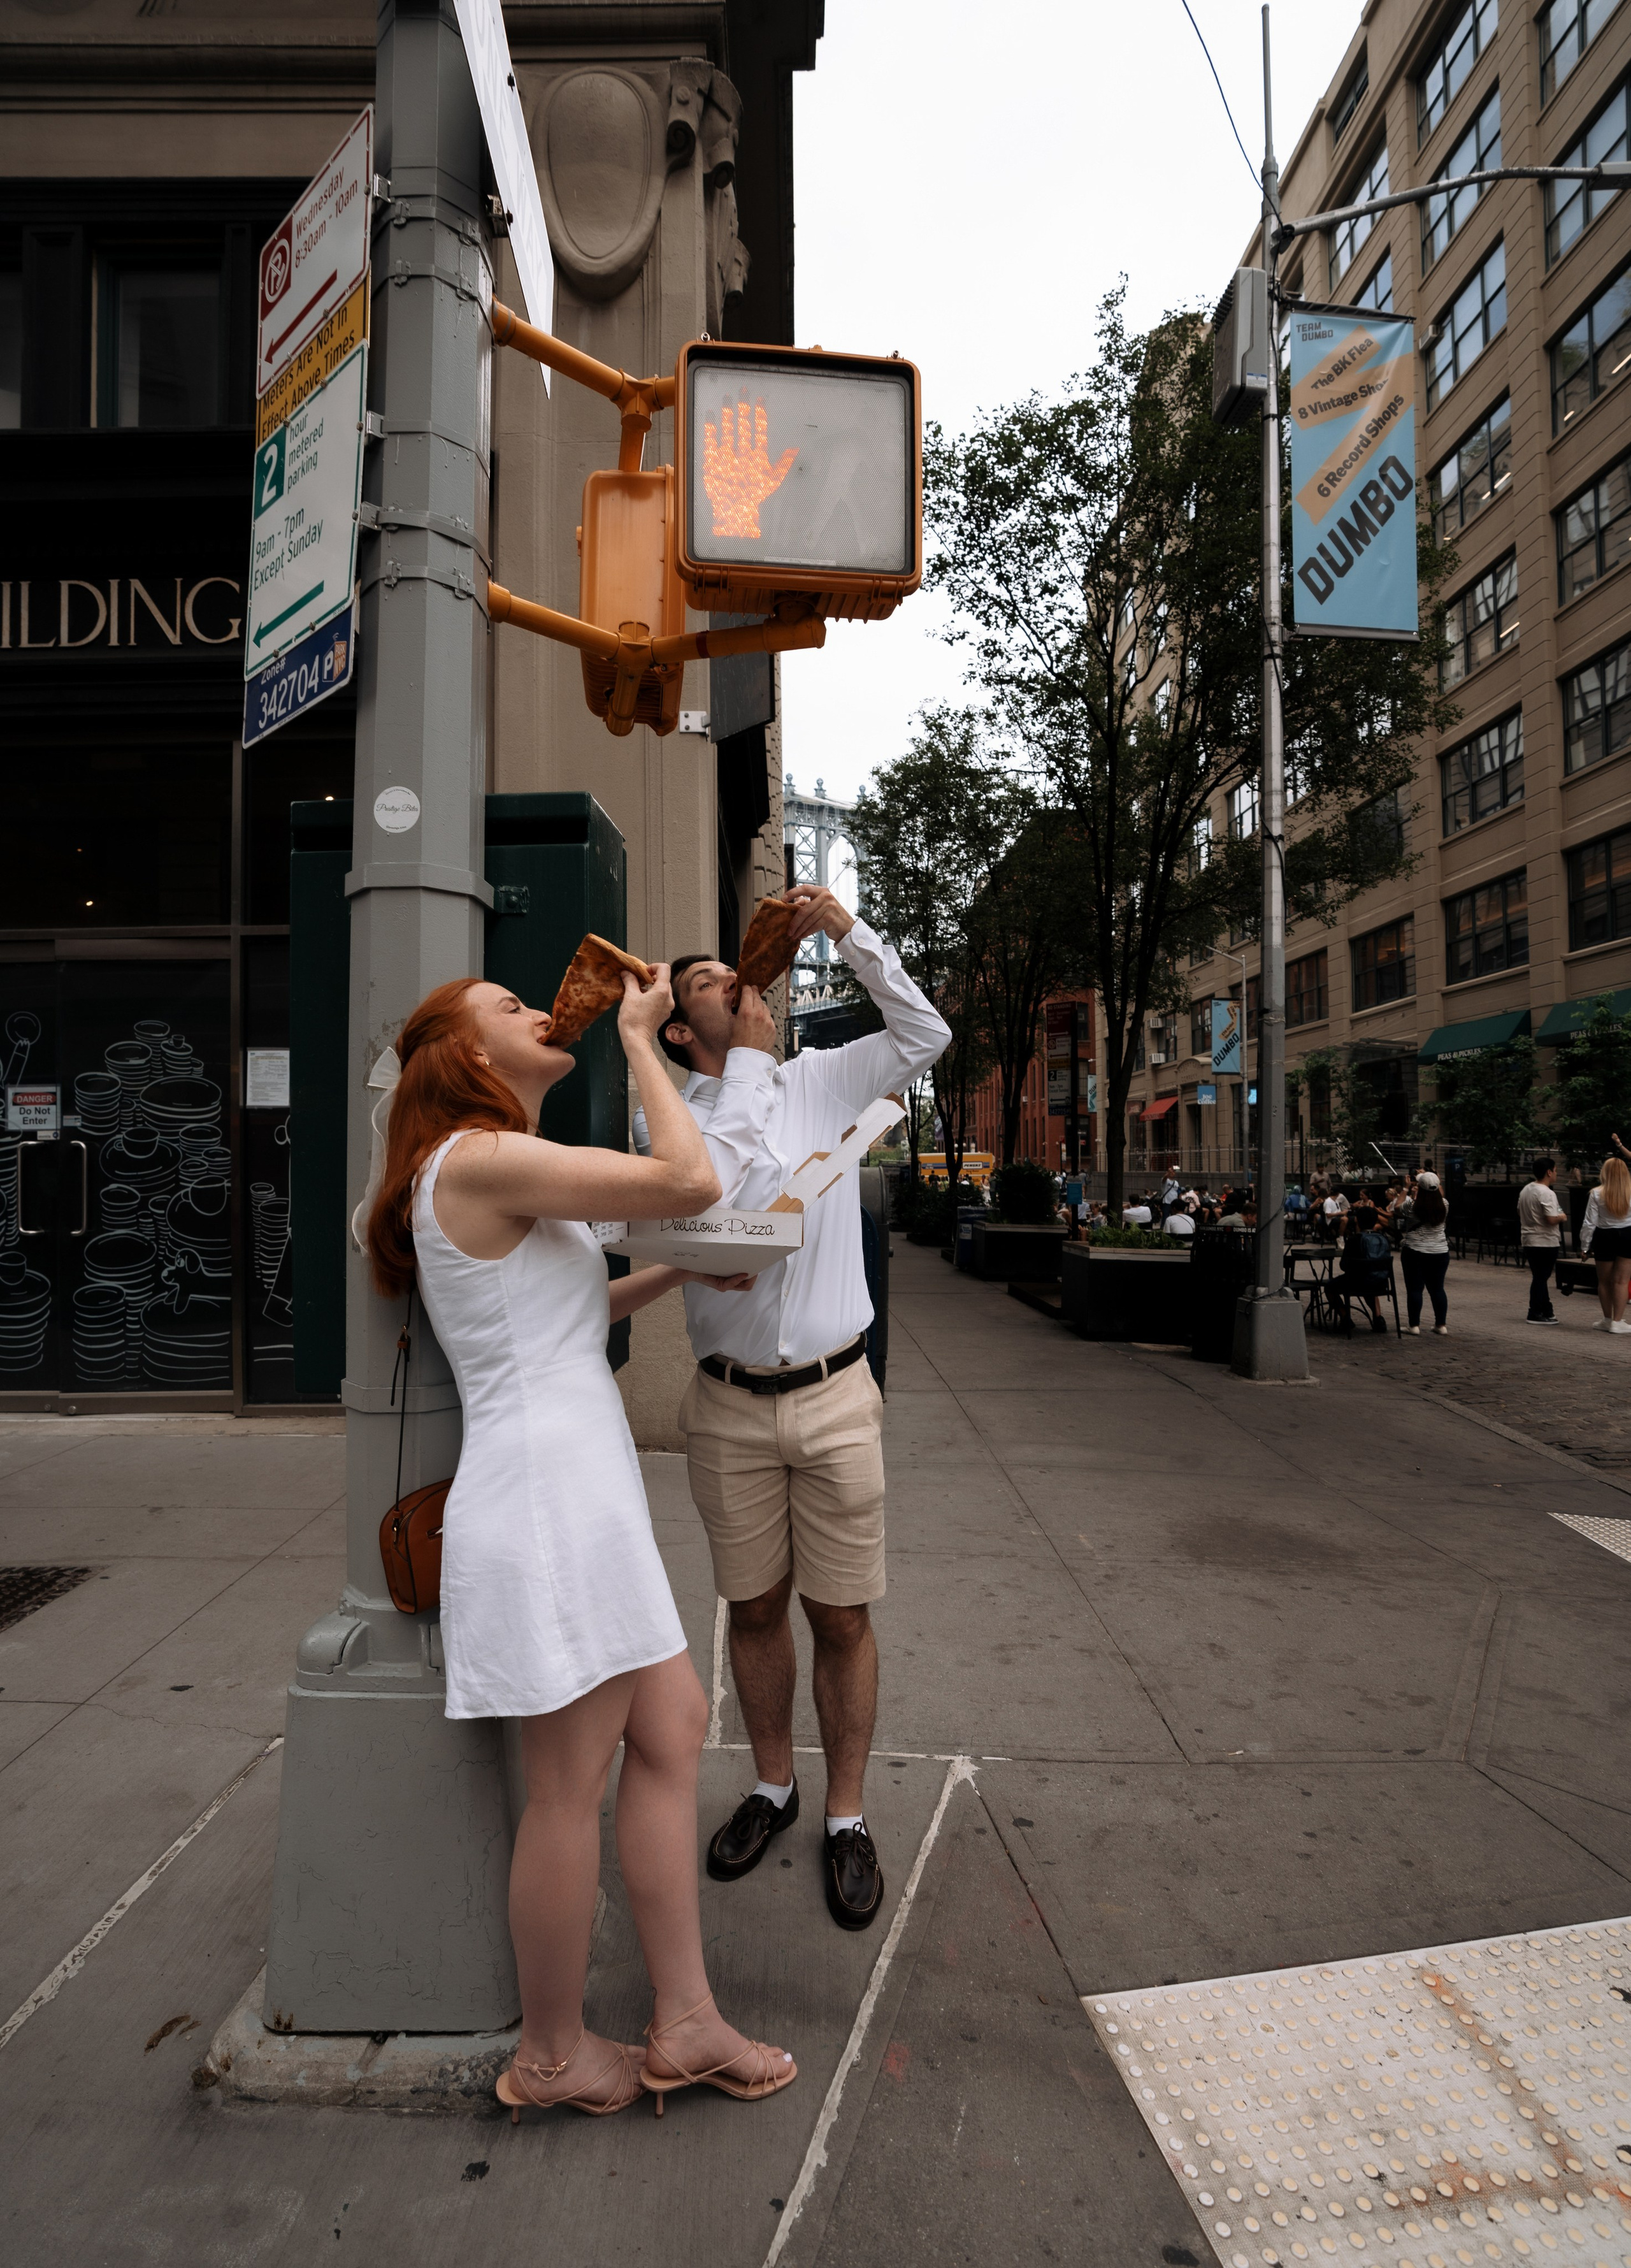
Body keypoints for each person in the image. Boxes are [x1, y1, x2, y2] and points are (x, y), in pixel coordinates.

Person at [365, 972, 798, 2121]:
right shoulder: (476, 1154)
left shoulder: (497, 1165)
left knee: (671, 1723)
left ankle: (686, 2019)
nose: (533, 1011)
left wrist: (684, 1271)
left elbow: (566, 1313)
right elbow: (686, 1175)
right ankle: (550, 2054)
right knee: (567, 1788)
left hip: (580, 1488)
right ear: (461, 1055)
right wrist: (642, 1042)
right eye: (506, 1005)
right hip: (547, 1503)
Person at [649, 884, 950, 1932]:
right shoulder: (672, 1113)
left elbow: (927, 1029)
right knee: (759, 1606)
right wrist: (737, 1073)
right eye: (702, 985)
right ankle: (774, 1786)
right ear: (684, 1028)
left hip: (835, 1392)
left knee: (844, 1611)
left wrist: (849, 932)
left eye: (729, 969)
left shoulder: (827, 1077)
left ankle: (849, 1812)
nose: (730, 980)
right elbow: (710, 1197)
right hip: (728, 1404)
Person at [1581, 1154, 1631, 1333]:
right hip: (1628, 1235)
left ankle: (1607, 1319)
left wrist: (1585, 1247)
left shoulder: (1596, 1193)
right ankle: (1618, 1322)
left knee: (1604, 1281)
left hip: (1604, 1237)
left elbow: (1589, 1222)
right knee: (1622, 1282)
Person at [1398, 1169, 1450, 1336]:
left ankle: (1414, 1325)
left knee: (1414, 1289)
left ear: (1419, 1188)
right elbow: (1437, 1193)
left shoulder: (1412, 1206)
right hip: (1440, 1252)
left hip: (1415, 1251)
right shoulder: (1445, 1205)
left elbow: (1397, 1207)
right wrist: (1435, 1180)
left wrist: (1406, 1188)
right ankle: (1441, 1325)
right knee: (1437, 1289)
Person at [1518, 1157, 1567, 1325]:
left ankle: (1546, 1309)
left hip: (1529, 1239)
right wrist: (1561, 1217)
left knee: (1540, 1276)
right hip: (1545, 1241)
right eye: (1555, 1170)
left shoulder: (1526, 1190)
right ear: (1549, 1172)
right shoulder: (1547, 1193)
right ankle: (1535, 1312)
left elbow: (1519, 1211)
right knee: (1541, 1277)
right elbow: (1551, 1219)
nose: (1556, 1173)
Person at [1335, 1201, 1393, 1335]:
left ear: (1357, 1220)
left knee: (1330, 1287)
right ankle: (1378, 1318)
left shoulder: (1355, 1240)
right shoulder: (1383, 1239)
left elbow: (1344, 1266)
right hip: (1381, 1283)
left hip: (1357, 1283)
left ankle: (1345, 1318)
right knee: (1370, 1283)